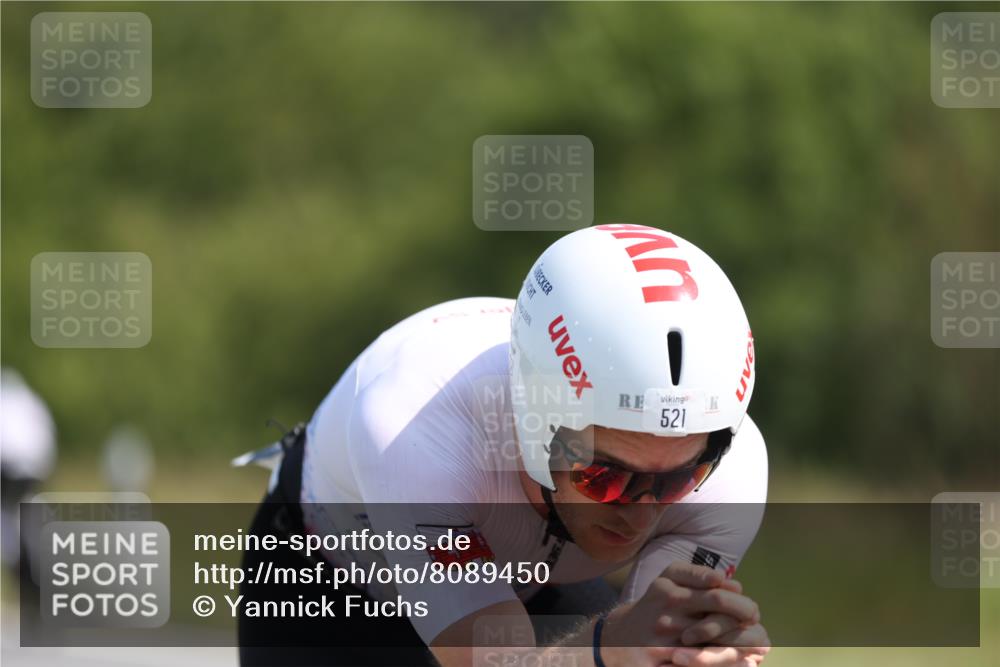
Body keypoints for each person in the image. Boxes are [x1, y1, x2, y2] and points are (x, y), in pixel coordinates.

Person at [237, 224, 769, 667]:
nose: (640, 512)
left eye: (677, 480)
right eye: (605, 477)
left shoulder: (735, 469)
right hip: (332, 586)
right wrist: (611, 648)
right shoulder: (416, 422)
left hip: (527, 585)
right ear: (538, 423)